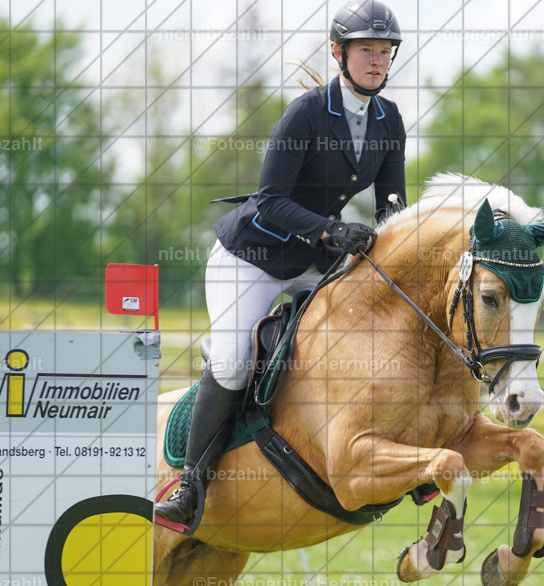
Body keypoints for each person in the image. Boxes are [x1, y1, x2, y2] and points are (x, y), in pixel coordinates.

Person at [155, 0, 407, 529]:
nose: (377, 61)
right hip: (251, 256)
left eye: (385, 52)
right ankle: (190, 489)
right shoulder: (308, 112)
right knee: (230, 362)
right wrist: (333, 229)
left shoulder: (389, 120)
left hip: (313, 257)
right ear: (340, 53)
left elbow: (392, 209)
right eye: (367, 50)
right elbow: (271, 200)